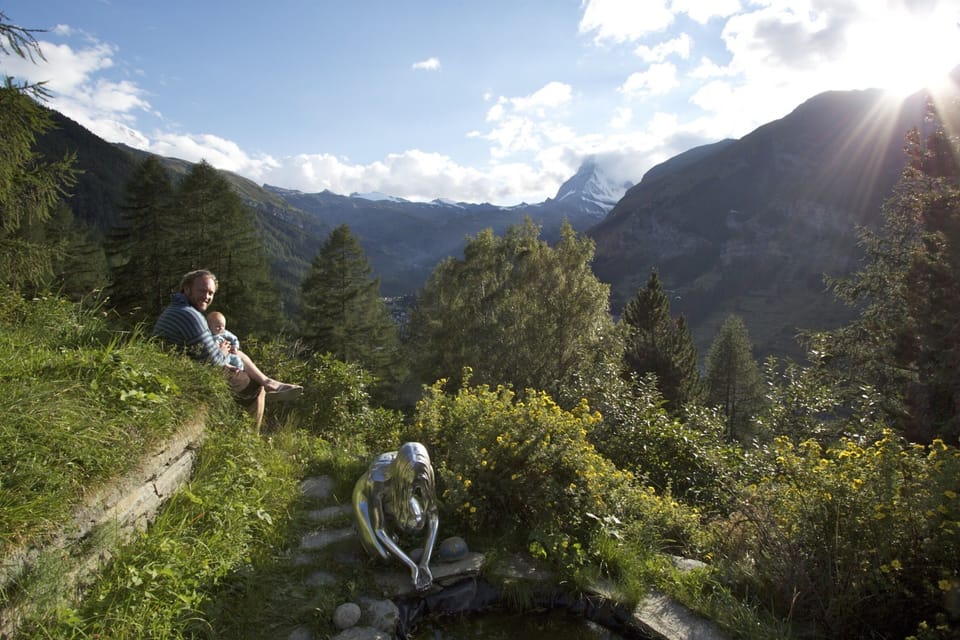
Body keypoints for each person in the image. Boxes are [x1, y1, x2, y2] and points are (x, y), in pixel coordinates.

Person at [153, 269, 301, 430]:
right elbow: (213, 361)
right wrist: (222, 352)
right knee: (255, 387)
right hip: (189, 371)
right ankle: (251, 436)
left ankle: (269, 382)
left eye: (210, 293)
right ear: (187, 289)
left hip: (179, 364)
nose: (207, 296)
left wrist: (223, 351)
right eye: (202, 291)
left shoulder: (176, 309)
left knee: (238, 353)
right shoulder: (190, 315)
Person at [353, 442, 439, 591]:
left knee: (416, 522)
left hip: (397, 495)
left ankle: (390, 520)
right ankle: (361, 526)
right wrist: (412, 566)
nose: (414, 487)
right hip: (365, 498)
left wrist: (424, 563)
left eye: (416, 484)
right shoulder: (378, 479)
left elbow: (433, 516)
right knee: (383, 556)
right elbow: (379, 529)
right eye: (410, 483)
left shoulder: (424, 472)